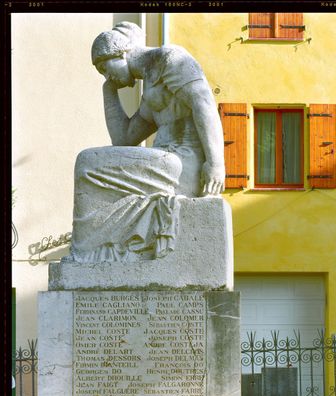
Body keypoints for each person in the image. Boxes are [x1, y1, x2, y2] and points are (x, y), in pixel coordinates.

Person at [68, 21, 225, 262]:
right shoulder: (150, 87)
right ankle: (90, 252)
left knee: (88, 162)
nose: (106, 75)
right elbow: (123, 138)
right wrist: (108, 91)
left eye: (104, 67)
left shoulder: (170, 59)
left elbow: (202, 103)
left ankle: (85, 252)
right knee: (88, 165)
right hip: (165, 164)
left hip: (183, 163)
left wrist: (215, 164)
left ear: (120, 52)